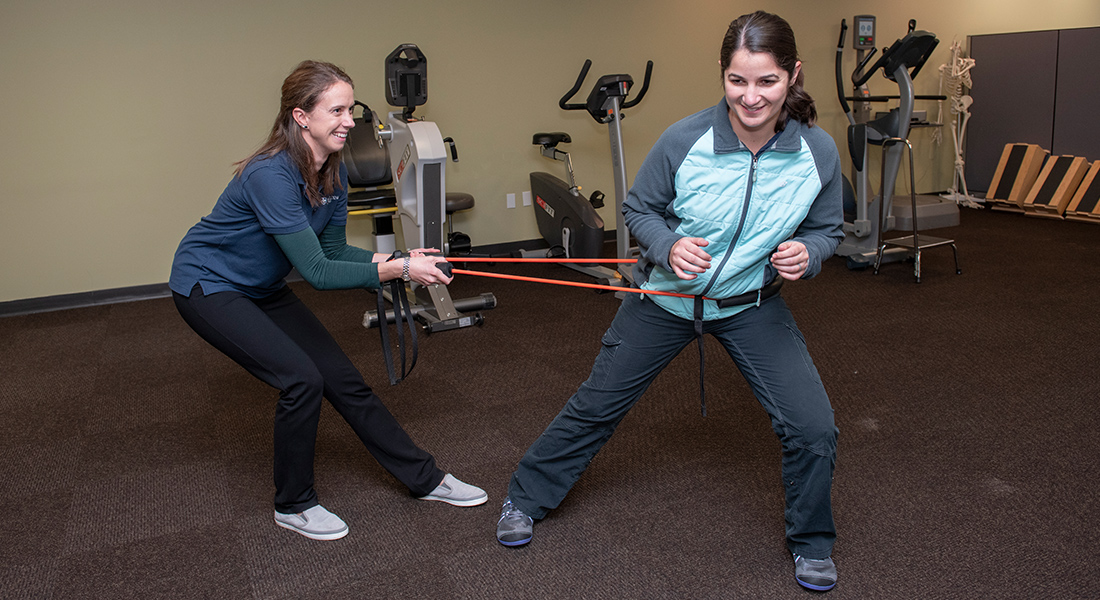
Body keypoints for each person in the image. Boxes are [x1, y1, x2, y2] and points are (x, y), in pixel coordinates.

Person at [496, 11, 844, 592]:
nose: (751, 97)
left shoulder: (817, 152)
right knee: (597, 404)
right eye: (737, 81)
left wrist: (809, 252)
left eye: (767, 82)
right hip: (665, 299)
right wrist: (668, 244)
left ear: (793, 76)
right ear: (721, 74)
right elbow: (638, 210)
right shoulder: (686, 140)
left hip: (751, 303)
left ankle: (811, 543)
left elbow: (829, 227)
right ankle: (524, 499)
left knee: (814, 428)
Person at [170, 60, 486, 542]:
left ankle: (425, 479)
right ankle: (293, 505)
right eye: (335, 110)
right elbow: (317, 274)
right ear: (301, 118)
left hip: (261, 287)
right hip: (210, 285)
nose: (348, 121)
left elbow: (334, 252)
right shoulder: (269, 176)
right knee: (301, 380)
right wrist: (400, 269)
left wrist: (402, 261)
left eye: (350, 110)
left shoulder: (333, 173)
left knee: (343, 380)